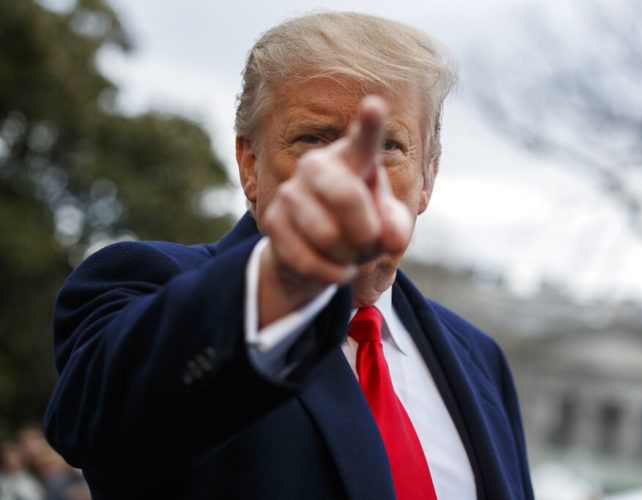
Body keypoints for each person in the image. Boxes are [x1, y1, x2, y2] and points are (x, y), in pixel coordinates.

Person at [44, 12, 534, 499]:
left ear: (427, 178)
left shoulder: (479, 358)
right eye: (314, 139)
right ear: (250, 164)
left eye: (387, 145)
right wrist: (284, 279)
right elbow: (98, 431)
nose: (351, 174)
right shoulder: (145, 284)